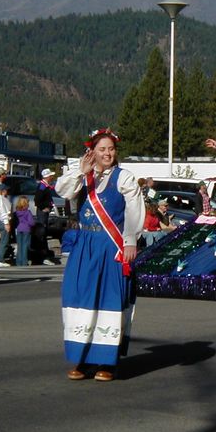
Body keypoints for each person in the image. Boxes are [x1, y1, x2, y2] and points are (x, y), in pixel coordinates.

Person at [55, 128, 145, 382]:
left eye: (111, 149)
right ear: (92, 152)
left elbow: (134, 211)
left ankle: (107, 361)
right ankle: (83, 357)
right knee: (82, 297)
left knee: (109, 299)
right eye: (102, 149)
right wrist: (79, 172)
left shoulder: (124, 177)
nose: (107, 153)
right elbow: (62, 191)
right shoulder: (84, 176)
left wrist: (130, 241)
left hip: (111, 246)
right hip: (85, 245)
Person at [34, 168, 56, 265]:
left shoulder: (46, 186)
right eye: (51, 175)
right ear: (47, 177)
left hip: (45, 212)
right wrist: (43, 207)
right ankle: (42, 256)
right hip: (42, 213)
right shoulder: (42, 186)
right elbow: (37, 200)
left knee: (44, 232)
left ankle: (45, 255)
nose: (52, 177)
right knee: (42, 233)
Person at [14, 195, 35, 266]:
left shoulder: (17, 212)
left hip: (19, 228)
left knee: (19, 246)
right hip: (26, 229)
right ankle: (24, 261)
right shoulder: (27, 212)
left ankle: (18, 261)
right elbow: (31, 222)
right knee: (25, 246)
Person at [0, 184, 12, 267]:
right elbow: (4, 211)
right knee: (4, 240)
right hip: (2, 220)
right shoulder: (2, 199)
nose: (7, 192)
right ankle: (0, 259)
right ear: (3, 191)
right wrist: (7, 223)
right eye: (6, 190)